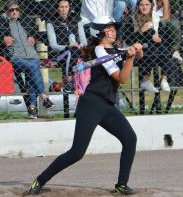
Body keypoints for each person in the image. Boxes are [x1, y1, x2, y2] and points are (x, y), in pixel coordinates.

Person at [26, 16, 143, 195]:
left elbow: (136, 56)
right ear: (100, 32)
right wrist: (129, 59)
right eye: (108, 28)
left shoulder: (117, 49)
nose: (113, 31)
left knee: (130, 139)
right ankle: (39, 180)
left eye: (113, 28)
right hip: (91, 104)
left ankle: (121, 184)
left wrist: (136, 50)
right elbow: (122, 78)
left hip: (107, 105)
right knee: (77, 152)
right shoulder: (99, 51)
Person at [125, 0, 183, 112]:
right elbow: (129, 40)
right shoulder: (132, 19)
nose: (144, 7)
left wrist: (159, 38)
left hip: (155, 50)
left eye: (147, 4)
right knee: (158, 50)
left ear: (151, 6)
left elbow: (163, 36)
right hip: (138, 50)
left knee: (162, 48)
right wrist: (141, 31)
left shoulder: (155, 18)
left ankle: (162, 80)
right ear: (138, 6)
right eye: (142, 5)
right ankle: (153, 80)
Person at [0, 0, 55, 119]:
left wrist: (32, 36)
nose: (14, 12)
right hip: (15, 56)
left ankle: (32, 108)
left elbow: (34, 32)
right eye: (11, 10)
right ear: (7, 11)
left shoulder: (25, 20)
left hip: (31, 54)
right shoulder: (1, 21)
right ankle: (44, 96)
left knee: (31, 74)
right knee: (32, 68)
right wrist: (2, 38)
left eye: (17, 9)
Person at [136, 0, 183, 67]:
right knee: (151, 26)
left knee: (174, 23)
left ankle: (175, 51)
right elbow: (140, 14)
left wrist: (158, 22)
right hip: (147, 21)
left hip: (161, 22)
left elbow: (166, 15)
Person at [47, 0, 81, 92]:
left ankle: (65, 82)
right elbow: (53, 45)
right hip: (61, 53)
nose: (64, 9)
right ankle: (69, 81)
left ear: (69, 8)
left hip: (77, 51)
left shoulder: (77, 21)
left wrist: (79, 46)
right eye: (61, 7)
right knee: (71, 51)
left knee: (74, 50)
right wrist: (67, 47)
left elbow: (84, 42)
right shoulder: (51, 23)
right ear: (57, 9)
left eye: (66, 7)